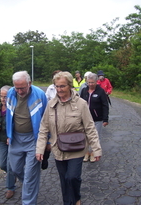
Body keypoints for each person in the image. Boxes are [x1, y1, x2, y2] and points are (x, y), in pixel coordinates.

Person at [36, 71, 102, 205]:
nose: (59, 90)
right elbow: (43, 128)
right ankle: (69, 202)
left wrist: (96, 149)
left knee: (72, 177)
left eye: (62, 86)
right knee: (64, 179)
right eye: (57, 86)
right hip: (58, 148)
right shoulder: (51, 105)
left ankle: (76, 197)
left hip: (77, 147)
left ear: (70, 86)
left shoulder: (81, 104)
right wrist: (40, 148)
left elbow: (90, 128)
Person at [6, 70, 47, 205]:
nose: (19, 91)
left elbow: (47, 119)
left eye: (22, 88)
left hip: (33, 139)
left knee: (30, 175)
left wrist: (47, 140)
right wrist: (8, 134)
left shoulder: (39, 95)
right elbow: (9, 116)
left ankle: (28, 202)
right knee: (15, 169)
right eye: (17, 88)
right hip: (16, 138)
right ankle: (29, 184)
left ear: (29, 83)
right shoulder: (11, 93)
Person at [80, 72, 109, 162]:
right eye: (89, 82)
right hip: (85, 118)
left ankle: (93, 153)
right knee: (85, 136)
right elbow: (79, 103)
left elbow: (105, 105)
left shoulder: (101, 91)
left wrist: (105, 119)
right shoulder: (84, 90)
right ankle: (86, 153)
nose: (90, 84)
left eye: (92, 82)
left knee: (95, 136)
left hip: (97, 118)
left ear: (96, 82)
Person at [43, 70, 61, 170]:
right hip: (52, 114)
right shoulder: (50, 88)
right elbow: (46, 99)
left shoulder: (66, 87)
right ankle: (47, 154)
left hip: (63, 115)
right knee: (51, 135)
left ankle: (61, 151)